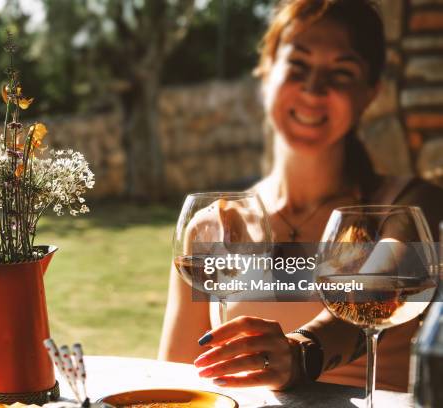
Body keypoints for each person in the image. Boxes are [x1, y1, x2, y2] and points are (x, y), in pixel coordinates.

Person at [158, 0, 443, 392]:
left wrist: (302, 352)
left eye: (341, 72)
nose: (314, 88)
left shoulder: (412, 206)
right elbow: (173, 378)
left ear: (370, 92)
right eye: (298, 65)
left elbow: (380, 291)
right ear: (265, 73)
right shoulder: (213, 226)